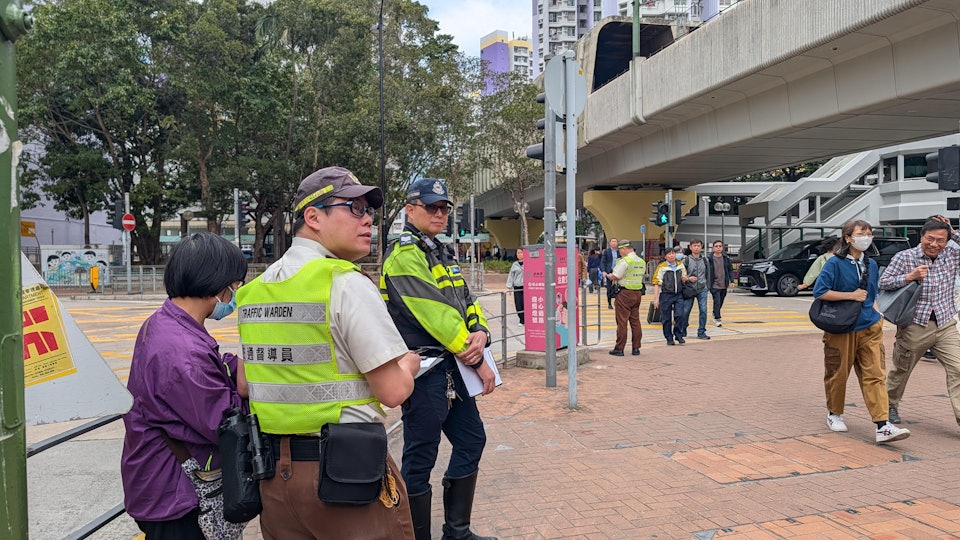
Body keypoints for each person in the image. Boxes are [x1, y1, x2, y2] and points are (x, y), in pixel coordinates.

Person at [236, 167, 420, 539]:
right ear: (313, 216)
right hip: (346, 479)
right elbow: (393, 391)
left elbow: (245, 383)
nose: (367, 218)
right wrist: (409, 364)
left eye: (369, 210)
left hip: (273, 480)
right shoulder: (344, 282)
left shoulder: (254, 291)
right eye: (353, 207)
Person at [381, 177, 498, 540]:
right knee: (420, 459)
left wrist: (482, 333)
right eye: (431, 206)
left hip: (452, 368)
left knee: (471, 439)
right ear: (410, 209)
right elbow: (439, 317)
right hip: (424, 371)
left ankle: (456, 532)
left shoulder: (439, 251)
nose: (439, 213)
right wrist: (476, 356)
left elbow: (466, 300)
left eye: (444, 207)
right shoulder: (403, 257)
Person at [121, 232, 248, 539]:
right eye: (235, 284)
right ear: (216, 281)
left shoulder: (168, 321)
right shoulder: (182, 352)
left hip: (158, 484)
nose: (236, 292)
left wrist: (234, 365)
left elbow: (211, 364)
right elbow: (225, 424)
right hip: (176, 496)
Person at [813, 219, 910, 444]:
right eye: (860, 233)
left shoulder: (871, 264)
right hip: (841, 327)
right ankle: (834, 413)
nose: (865, 237)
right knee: (838, 372)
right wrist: (850, 296)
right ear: (848, 237)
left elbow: (873, 294)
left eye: (869, 233)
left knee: (875, 374)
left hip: (869, 325)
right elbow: (820, 291)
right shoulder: (834, 263)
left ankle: (882, 425)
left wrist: (878, 318)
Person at [881, 216, 960, 428]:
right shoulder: (904, 257)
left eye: (941, 240)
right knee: (902, 369)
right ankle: (889, 405)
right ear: (921, 236)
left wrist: (953, 233)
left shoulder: (951, 254)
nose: (934, 244)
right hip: (915, 325)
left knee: (959, 368)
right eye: (930, 239)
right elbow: (884, 282)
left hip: (945, 323)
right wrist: (909, 277)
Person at [607, 240, 646, 356]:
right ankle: (636, 348)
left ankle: (619, 348)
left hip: (624, 293)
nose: (619, 252)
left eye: (620, 250)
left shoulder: (625, 261)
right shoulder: (642, 261)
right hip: (637, 293)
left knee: (622, 322)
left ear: (624, 249)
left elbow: (616, 275)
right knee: (635, 321)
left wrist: (609, 276)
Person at [652, 247, 687, 346]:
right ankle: (669, 338)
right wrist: (656, 299)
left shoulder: (680, 265)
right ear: (665, 256)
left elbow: (684, 276)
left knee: (680, 315)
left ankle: (678, 334)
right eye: (669, 254)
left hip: (678, 294)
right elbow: (657, 283)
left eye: (673, 253)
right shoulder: (661, 267)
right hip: (666, 295)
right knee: (666, 318)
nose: (671, 255)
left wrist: (686, 279)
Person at [678, 239, 710, 340]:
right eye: (694, 246)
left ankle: (701, 331)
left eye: (698, 246)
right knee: (686, 310)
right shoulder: (686, 261)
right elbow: (681, 276)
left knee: (703, 310)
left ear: (701, 247)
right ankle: (683, 329)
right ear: (690, 247)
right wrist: (688, 279)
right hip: (689, 289)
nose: (697, 247)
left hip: (702, 288)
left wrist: (707, 286)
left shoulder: (705, 260)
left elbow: (708, 274)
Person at [706, 240, 734, 327]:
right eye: (716, 246)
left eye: (720, 246)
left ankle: (715, 313)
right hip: (714, 284)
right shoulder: (709, 259)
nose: (718, 248)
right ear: (713, 248)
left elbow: (730, 270)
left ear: (722, 248)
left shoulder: (726, 258)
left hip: (723, 284)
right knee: (717, 301)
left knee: (721, 301)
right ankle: (717, 318)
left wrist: (731, 281)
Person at [507, 249, 525, 326]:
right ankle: (521, 319)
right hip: (517, 287)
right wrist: (509, 287)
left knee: (525, 303)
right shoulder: (515, 265)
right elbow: (511, 276)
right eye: (518, 253)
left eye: (521, 252)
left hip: (526, 287)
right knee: (518, 304)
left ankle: (526, 319)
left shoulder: (529, 262)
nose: (519, 254)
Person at [600, 238, 619, 306]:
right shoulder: (606, 251)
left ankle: (617, 302)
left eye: (615, 241)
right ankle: (609, 302)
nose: (614, 243)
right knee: (609, 288)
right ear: (610, 243)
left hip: (617, 272)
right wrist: (603, 271)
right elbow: (602, 262)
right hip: (609, 271)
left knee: (618, 288)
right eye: (612, 241)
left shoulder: (619, 251)